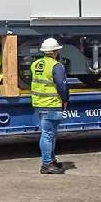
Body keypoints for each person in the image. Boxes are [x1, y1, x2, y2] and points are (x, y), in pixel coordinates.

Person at [30, 37, 70, 174]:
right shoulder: (56, 66)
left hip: (39, 103)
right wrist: (65, 99)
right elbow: (61, 85)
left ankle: (51, 160)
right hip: (52, 103)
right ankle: (46, 164)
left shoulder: (35, 64)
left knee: (50, 134)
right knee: (48, 134)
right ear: (55, 51)